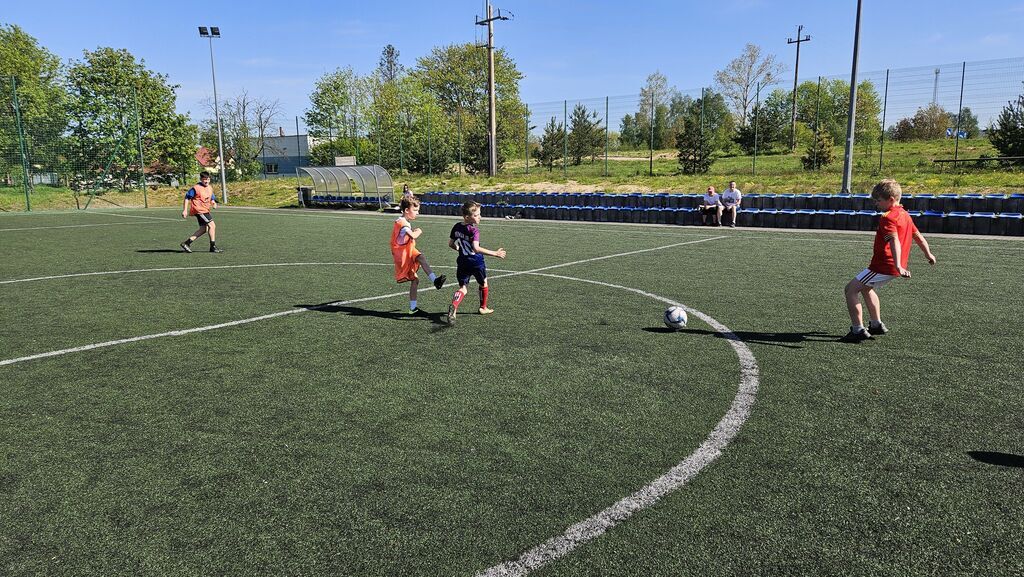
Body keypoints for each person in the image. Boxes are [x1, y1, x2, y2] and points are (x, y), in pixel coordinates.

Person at [842, 179, 936, 342]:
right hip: (890, 266)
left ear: (891, 199)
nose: (876, 204)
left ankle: (857, 330)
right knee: (866, 288)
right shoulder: (905, 215)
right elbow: (917, 236)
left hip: (883, 265)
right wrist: (928, 254)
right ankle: (876, 324)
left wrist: (898, 265)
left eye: (878, 201)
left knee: (850, 290)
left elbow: (894, 241)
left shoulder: (888, 217)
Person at [446, 201, 507, 325]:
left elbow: (451, 244)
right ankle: (483, 307)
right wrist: (495, 253)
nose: (480, 217)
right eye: (477, 215)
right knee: (483, 283)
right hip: (476, 262)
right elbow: (476, 248)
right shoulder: (474, 231)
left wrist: (460, 249)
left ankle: (454, 305)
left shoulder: (457, 226)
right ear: (467, 217)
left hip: (463, 261)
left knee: (463, 288)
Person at [391, 196, 446, 314]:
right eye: (415, 210)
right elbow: (413, 236)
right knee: (415, 280)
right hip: (403, 254)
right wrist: (419, 231)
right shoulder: (403, 224)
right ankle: (413, 308)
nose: (418, 213)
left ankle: (435, 281)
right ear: (406, 210)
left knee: (421, 257)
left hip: (409, 250)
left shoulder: (402, 221)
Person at [180, 171, 222, 253]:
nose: (206, 181)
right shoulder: (196, 188)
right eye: (204, 179)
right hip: (199, 210)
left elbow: (212, 198)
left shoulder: (209, 187)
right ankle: (213, 247)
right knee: (212, 226)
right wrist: (185, 210)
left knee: (203, 229)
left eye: (208, 179)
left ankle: (186, 243)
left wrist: (213, 203)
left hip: (205, 210)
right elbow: (187, 197)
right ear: (201, 179)